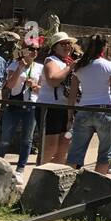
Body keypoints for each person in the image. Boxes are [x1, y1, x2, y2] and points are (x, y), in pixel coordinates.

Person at [66, 36, 111, 174]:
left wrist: (70, 116)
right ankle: (96, 185)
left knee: (75, 152)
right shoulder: (108, 66)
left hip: (83, 109)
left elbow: (72, 95)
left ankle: (67, 183)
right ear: (103, 47)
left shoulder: (80, 66)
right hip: (104, 109)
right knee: (105, 153)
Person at [0, 43, 41, 177]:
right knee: (5, 138)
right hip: (14, 105)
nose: (34, 51)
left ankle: (20, 169)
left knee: (27, 140)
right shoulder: (14, 65)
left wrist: (34, 85)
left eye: (37, 49)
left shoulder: (40, 67)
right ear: (24, 50)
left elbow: (43, 90)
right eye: (31, 49)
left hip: (31, 105)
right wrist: (20, 68)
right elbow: (9, 85)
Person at [35, 32, 76, 165]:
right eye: (63, 44)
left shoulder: (68, 62)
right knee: (49, 147)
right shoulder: (51, 60)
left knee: (64, 147)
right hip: (50, 107)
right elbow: (53, 80)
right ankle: (38, 179)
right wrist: (70, 67)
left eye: (69, 43)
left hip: (65, 108)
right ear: (55, 47)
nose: (67, 46)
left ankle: (53, 180)